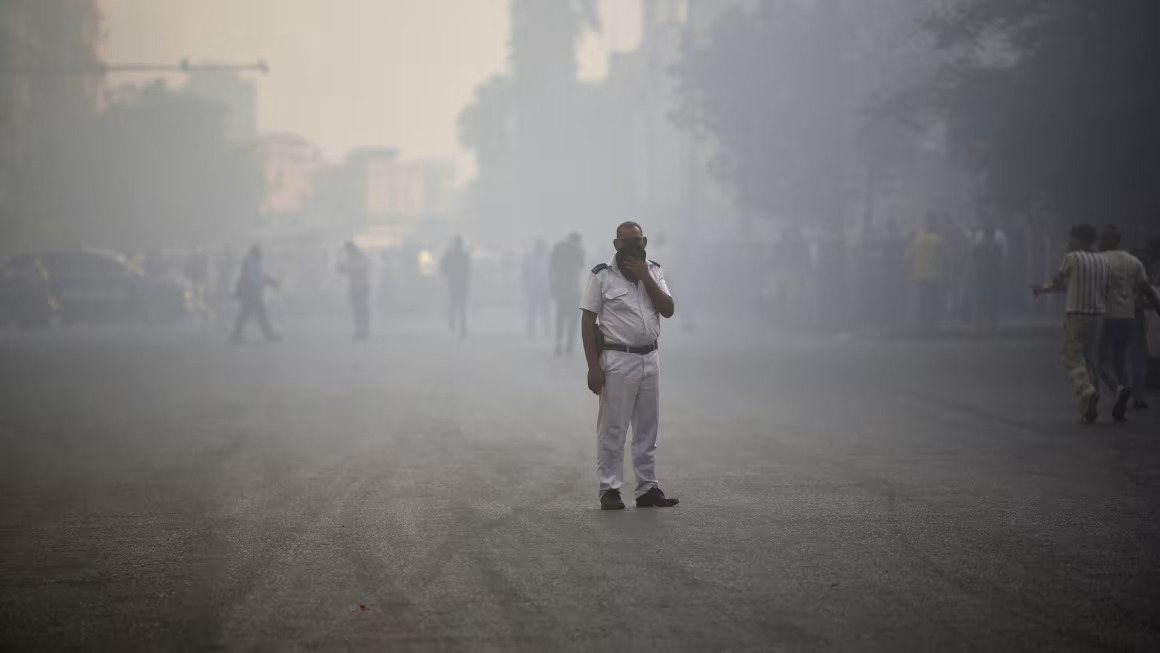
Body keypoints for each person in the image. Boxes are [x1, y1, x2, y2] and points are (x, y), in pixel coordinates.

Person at [580, 221, 678, 510]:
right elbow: (587, 321)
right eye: (626, 242)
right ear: (616, 245)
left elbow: (669, 309)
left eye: (637, 240)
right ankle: (609, 489)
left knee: (647, 427)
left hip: (650, 358)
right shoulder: (602, 276)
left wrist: (645, 277)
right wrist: (593, 368)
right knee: (613, 428)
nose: (632, 246)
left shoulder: (655, 271)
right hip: (617, 360)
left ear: (645, 242)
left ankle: (647, 487)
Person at [1032, 224, 1109, 423]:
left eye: (1071, 238)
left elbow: (1059, 281)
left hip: (1076, 315)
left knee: (1071, 355)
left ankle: (1086, 390)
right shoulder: (1102, 260)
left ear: (1080, 240)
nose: (1068, 242)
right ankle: (1088, 407)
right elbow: (1071, 286)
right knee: (1090, 359)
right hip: (1097, 316)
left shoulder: (1072, 258)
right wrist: (1043, 289)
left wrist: (1045, 287)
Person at [1097, 226, 1160, 420]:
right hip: (1135, 313)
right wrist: (1158, 307)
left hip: (1109, 315)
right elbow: (1146, 288)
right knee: (1137, 355)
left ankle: (1121, 391)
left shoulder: (1099, 261)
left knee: (1115, 356)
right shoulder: (1134, 261)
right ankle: (1138, 396)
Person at [907, 213, 947, 334]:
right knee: (933, 301)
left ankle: (921, 324)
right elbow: (945, 258)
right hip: (934, 275)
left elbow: (908, 256)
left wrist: (910, 272)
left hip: (918, 275)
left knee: (921, 301)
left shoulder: (917, 239)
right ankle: (931, 325)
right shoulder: (940, 240)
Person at [231, 245, 279, 343]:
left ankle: (236, 335)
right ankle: (269, 335)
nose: (261, 254)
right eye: (259, 252)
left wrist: (270, 281)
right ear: (255, 252)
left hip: (253, 292)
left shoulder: (254, 262)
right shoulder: (249, 262)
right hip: (251, 292)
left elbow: (260, 276)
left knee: (249, 314)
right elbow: (252, 277)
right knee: (255, 314)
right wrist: (266, 283)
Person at [549, 233, 586, 356]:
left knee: (561, 316)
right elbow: (581, 266)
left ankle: (560, 342)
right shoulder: (577, 250)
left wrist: (552, 287)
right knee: (572, 317)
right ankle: (568, 344)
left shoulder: (558, 248)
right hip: (571, 289)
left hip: (562, 289)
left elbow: (552, 268)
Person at [969, 222, 1004, 332]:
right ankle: (981, 325)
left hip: (987, 278)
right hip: (984, 278)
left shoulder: (979, 246)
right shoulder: (994, 247)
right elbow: (1000, 263)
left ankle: (987, 324)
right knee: (984, 301)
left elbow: (972, 262)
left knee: (986, 301)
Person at [338, 241, 372, 340]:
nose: (347, 253)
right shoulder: (353, 257)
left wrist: (346, 269)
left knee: (361, 310)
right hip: (356, 287)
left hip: (361, 287)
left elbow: (361, 268)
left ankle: (363, 331)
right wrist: (345, 269)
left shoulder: (360, 257)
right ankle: (360, 331)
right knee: (358, 311)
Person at [439, 236, 471, 338]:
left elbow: (442, 268)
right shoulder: (465, 255)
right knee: (462, 306)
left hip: (453, 282)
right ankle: (463, 328)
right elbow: (468, 270)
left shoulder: (450, 254)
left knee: (453, 303)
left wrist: (449, 273)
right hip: (463, 283)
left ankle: (452, 322)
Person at [522, 239, 550, 337]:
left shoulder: (545, 258)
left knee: (543, 310)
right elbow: (526, 273)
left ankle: (545, 331)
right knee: (534, 311)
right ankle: (532, 331)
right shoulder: (531, 258)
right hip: (535, 287)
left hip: (542, 287)